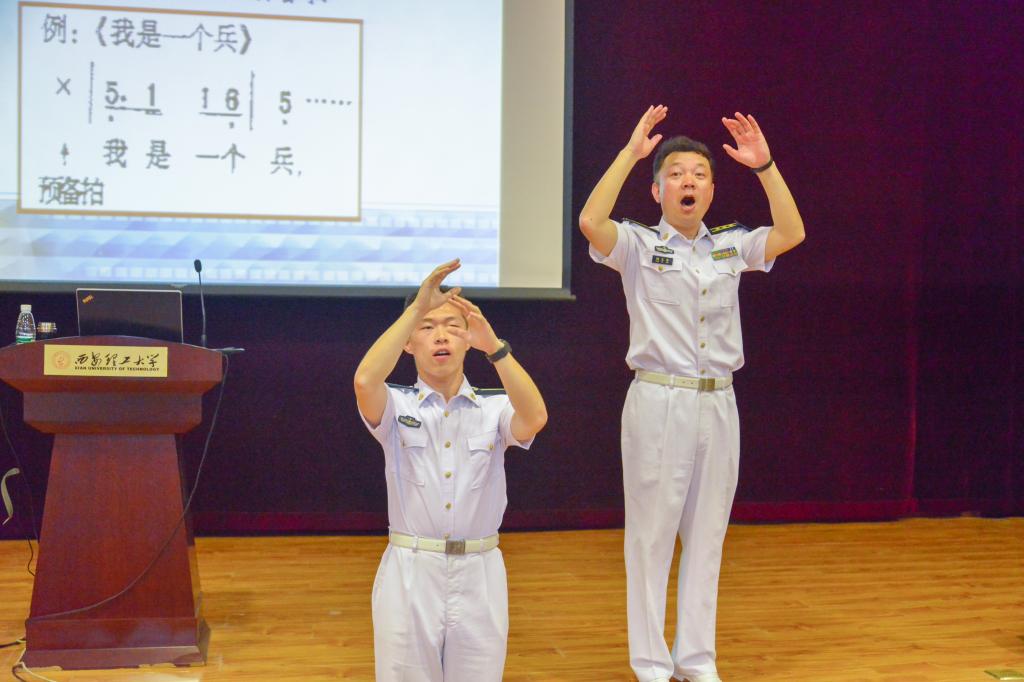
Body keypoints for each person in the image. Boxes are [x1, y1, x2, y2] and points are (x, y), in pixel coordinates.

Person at [578, 106, 805, 682]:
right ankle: (652, 663)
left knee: (708, 538)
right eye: (676, 173)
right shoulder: (636, 244)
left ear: (711, 191)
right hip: (659, 399)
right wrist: (630, 154)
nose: (689, 182)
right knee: (651, 539)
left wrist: (766, 167)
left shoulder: (731, 246)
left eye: (699, 175)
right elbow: (590, 221)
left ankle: (697, 660)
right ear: (657, 190)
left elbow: (791, 233)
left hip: (719, 401)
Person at [353, 259, 548, 682]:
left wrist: (495, 348)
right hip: (411, 569)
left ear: (468, 339)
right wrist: (414, 310)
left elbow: (535, 417)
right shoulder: (396, 404)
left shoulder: (494, 406)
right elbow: (365, 381)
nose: (440, 335)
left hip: (480, 570)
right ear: (408, 342)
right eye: (427, 327)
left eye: (452, 326)